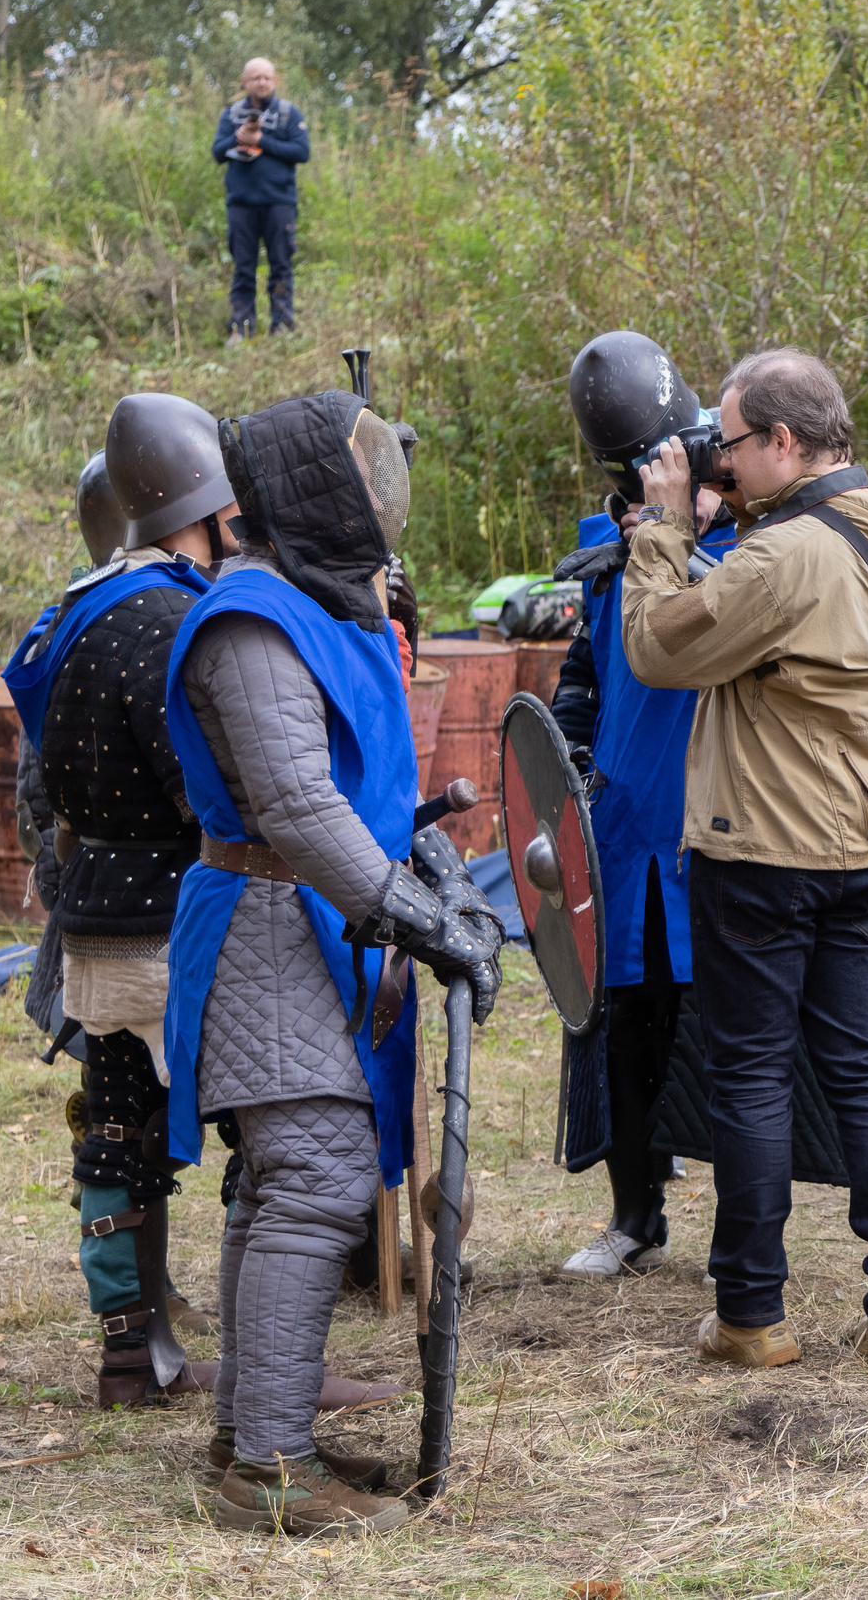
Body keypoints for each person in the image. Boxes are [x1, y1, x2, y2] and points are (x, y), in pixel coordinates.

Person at [164, 389, 503, 1536]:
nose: (381, 491)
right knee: (310, 1173)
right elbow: (298, 811)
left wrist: (424, 861)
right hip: (269, 920)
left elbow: (356, 794)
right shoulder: (251, 618)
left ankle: (253, 1439)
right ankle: (266, 1464)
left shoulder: (320, 606)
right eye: (362, 471)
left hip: (311, 922)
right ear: (315, 490)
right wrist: (421, 919)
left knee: (284, 1182)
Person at [622, 346, 868, 1373]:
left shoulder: (783, 561)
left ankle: (751, 1314)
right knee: (866, 1072)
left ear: (781, 441)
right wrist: (731, 516)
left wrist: (662, 531)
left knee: (752, 1075)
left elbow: (657, 646)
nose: (716, 461)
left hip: (768, 847)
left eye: (729, 444)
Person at [2, 412, 230, 1406]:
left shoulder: (70, 612)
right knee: (264, 1123)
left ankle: (132, 1352)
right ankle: (252, 1355)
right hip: (176, 916)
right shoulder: (167, 620)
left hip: (94, 911)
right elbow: (204, 791)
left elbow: (46, 790)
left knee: (117, 1128)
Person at [543, 332, 746, 1279]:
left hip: (722, 811)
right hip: (623, 821)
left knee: (729, 1026)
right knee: (625, 1020)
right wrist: (571, 748)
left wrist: (684, 534)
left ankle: (739, 1227)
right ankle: (635, 1214)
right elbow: (583, 669)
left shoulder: (754, 537)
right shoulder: (607, 542)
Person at [211, 58, 311, 337]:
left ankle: (282, 327)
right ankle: (241, 329)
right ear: (245, 82)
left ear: (274, 80)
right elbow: (217, 153)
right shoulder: (231, 115)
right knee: (243, 269)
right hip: (241, 204)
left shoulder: (289, 114)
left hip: (280, 203)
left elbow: (302, 152)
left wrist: (261, 142)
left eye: (266, 77)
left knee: (281, 266)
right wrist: (238, 137)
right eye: (255, 78)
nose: (262, 82)